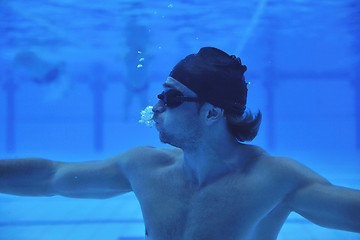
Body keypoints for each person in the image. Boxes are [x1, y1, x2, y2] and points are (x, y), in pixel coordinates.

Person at [1, 47, 359, 240]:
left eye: (171, 99)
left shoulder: (272, 180)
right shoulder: (145, 168)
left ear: (211, 113)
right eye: (160, 95)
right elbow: (50, 177)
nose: (156, 106)